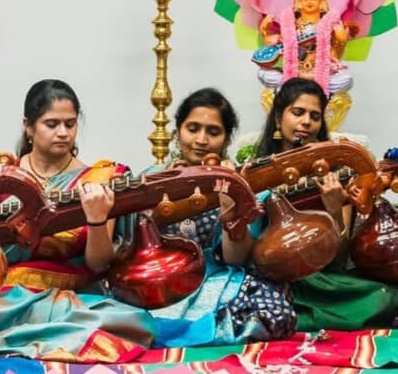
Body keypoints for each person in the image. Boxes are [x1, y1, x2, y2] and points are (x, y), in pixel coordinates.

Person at [0, 79, 154, 361]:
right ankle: (46, 341)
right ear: (28, 126)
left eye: (70, 124)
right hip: (4, 297)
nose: (63, 133)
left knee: (134, 321)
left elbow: (98, 264)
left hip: (70, 298)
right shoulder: (1, 179)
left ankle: (21, 341)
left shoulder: (99, 180)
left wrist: (97, 221)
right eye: (52, 124)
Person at [124, 87, 296, 346]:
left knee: (276, 314)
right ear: (178, 130)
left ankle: (169, 332)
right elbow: (130, 247)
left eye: (213, 132)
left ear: (226, 139)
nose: (201, 140)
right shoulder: (151, 179)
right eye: (192, 128)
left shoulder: (240, 185)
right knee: (111, 312)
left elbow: (235, 258)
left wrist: (229, 206)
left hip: (217, 279)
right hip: (158, 282)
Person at [254, 76, 398, 331]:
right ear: (279, 118)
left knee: (386, 297)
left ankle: (294, 318)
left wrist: (333, 208)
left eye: (314, 115)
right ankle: (292, 315)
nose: (306, 122)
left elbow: (340, 257)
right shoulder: (259, 171)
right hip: (275, 276)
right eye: (297, 112)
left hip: (321, 280)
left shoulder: (336, 174)